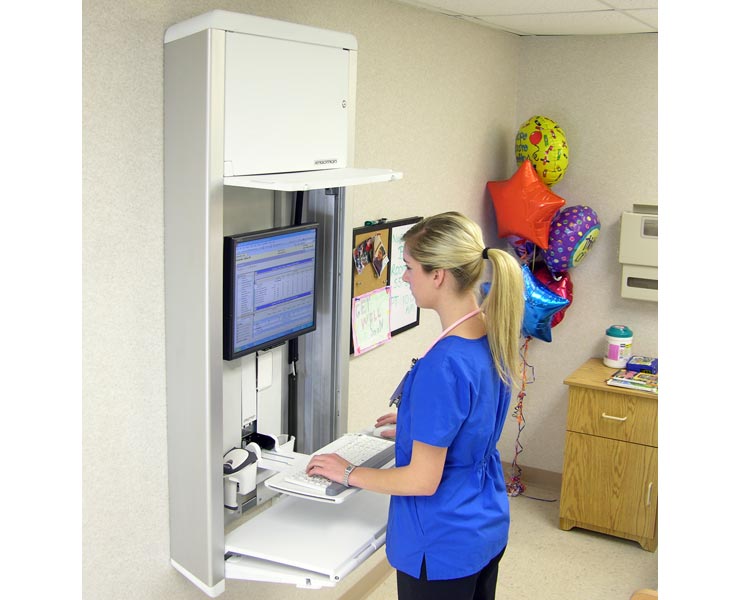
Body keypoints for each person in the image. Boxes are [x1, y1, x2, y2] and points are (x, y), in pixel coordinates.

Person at [306, 211, 525, 600]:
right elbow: (472, 420)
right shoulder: (492, 333)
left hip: (441, 543)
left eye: (409, 267)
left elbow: (421, 480)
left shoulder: (443, 365)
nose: (405, 278)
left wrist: (349, 472)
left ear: (437, 275)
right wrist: (414, 423)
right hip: (483, 525)